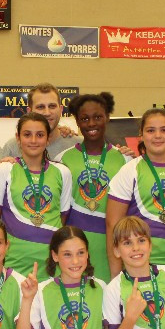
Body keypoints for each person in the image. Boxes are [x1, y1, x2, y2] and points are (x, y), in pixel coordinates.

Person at [106, 107, 165, 288]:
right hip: (142, 264)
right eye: (151, 130)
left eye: (164, 130)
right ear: (141, 136)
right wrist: (115, 273)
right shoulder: (130, 170)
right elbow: (113, 224)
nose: (158, 136)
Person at [4, 227, 110, 329]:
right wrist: (27, 299)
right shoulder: (42, 289)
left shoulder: (101, 288)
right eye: (67, 254)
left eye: (81, 253)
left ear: (88, 254)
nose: (75, 261)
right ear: (55, 256)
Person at [0, 113, 72, 282]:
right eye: (27, 134)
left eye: (40, 135)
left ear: (47, 139)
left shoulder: (63, 172)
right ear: (18, 138)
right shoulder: (4, 170)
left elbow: (62, 217)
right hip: (13, 262)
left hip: (52, 263)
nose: (33, 140)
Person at [53, 92, 130, 282]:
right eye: (85, 119)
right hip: (73, 247)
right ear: (77, 122)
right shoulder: (63, 159)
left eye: (98, 117)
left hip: (109, 246)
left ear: (107, 118)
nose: (91, 123)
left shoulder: (124, 160)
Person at [0, 83, 81, 160]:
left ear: (61, 109)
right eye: (40, 107)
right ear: (29, 111)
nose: (47, 113)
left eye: (52, 106)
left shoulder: (78, 146)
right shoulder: (12, 148)